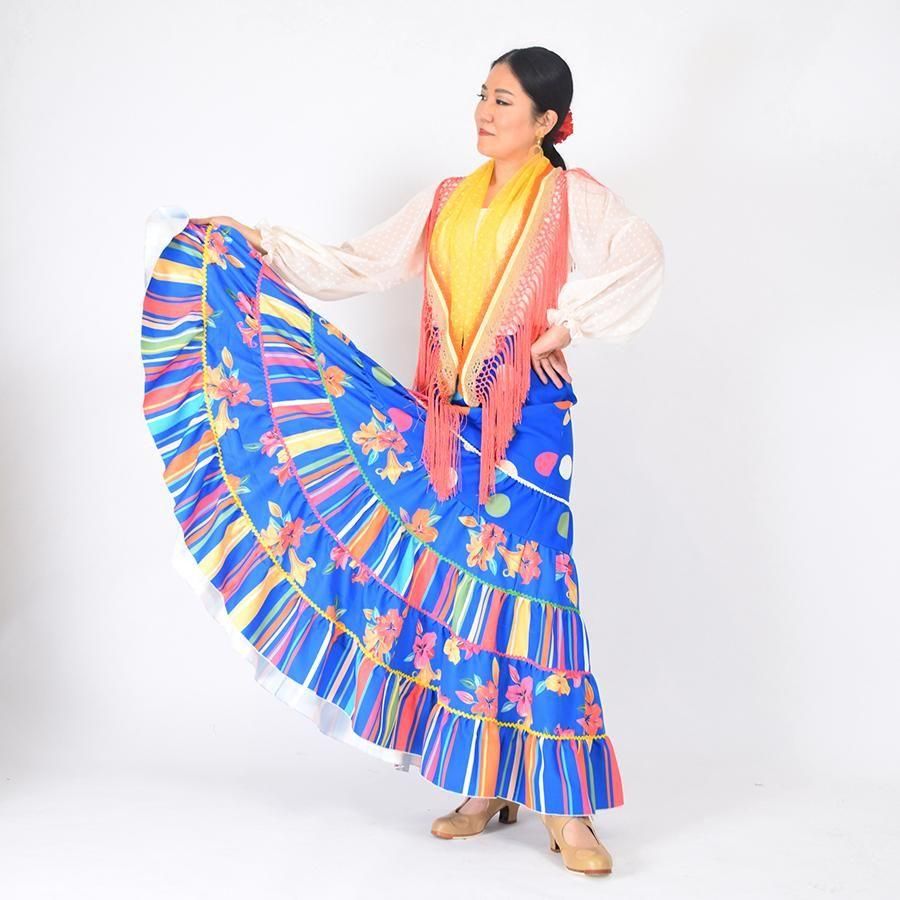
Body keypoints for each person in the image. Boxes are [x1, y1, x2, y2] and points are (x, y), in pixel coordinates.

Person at [141, 46, 664, 876]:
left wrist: (570, 324)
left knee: (536, 594)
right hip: (448, 421)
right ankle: (484, 785)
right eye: (483, 95)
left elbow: (642, 257)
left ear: (546, 121)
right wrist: (258, 244)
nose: (485, 111)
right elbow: (361, 262)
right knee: (465, 592)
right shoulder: (446, 200)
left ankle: (569, 809)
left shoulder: (573, 198)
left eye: (504, 101)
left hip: (529, 425)